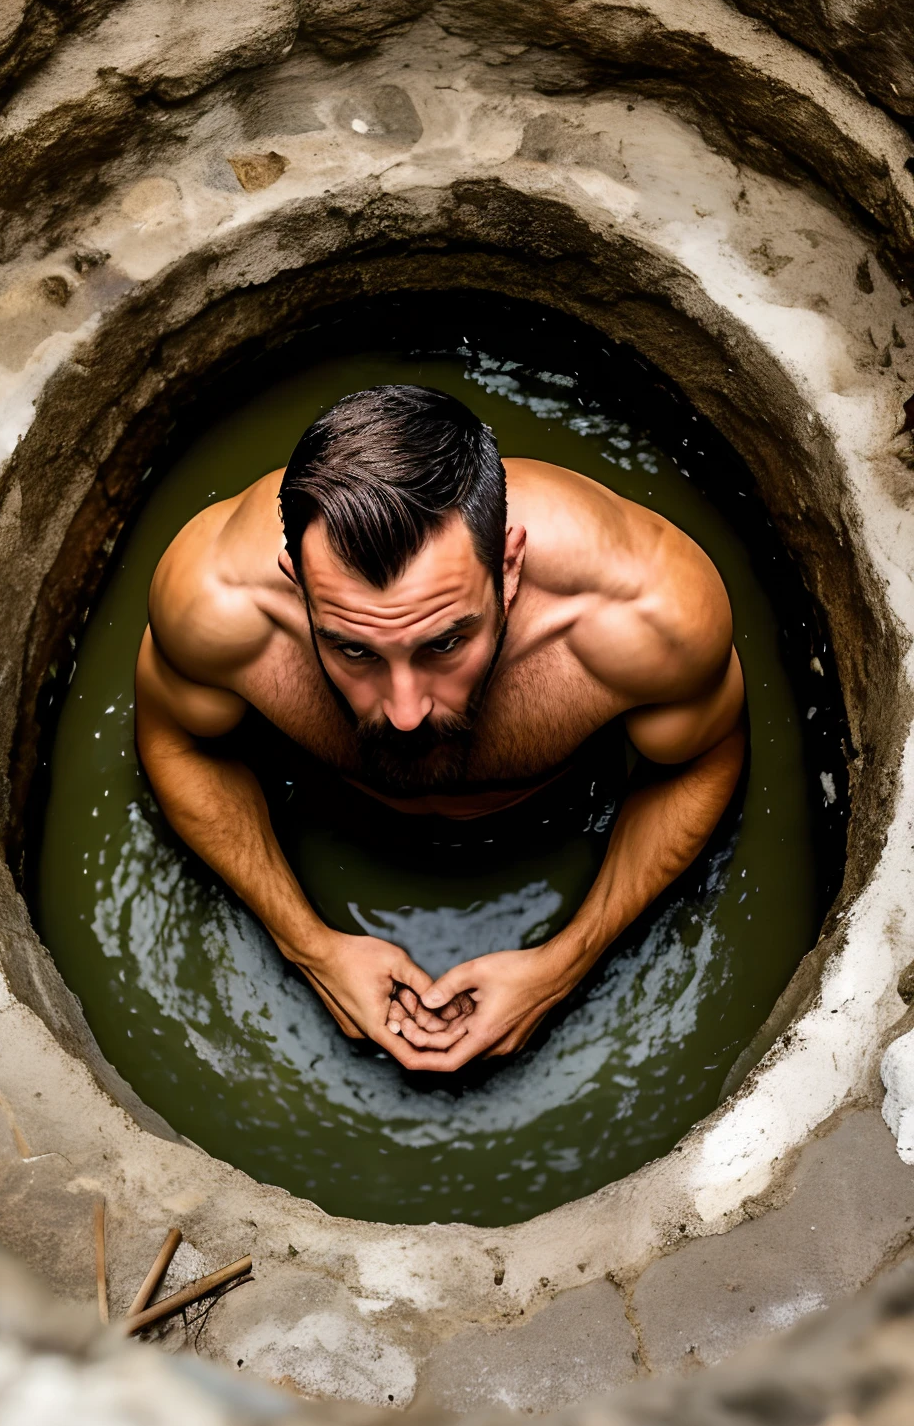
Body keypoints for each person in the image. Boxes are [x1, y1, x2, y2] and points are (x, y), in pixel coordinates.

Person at [135, 384, 745, 1071]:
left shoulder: (644, 616)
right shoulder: (215, 604)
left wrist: (565, 962)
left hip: (548, 826)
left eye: (445, 644)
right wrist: (307, 942)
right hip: (337, 823)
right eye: (354, 649)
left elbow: (703, 755)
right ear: (295, 584)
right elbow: (177, 736)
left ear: (508, 568)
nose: (404, 710)